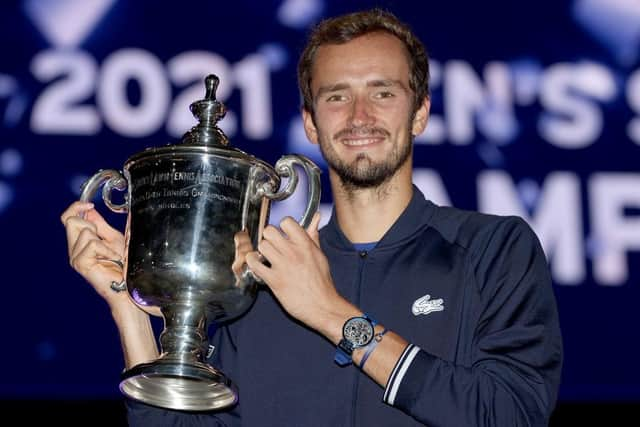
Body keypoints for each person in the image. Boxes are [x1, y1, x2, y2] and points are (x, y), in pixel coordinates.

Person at [61, 8, 563, 427]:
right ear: (310, 122)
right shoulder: (255, 284)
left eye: (383, 93)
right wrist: (128, 303)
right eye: (336, 96)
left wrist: (331, 314)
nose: (360, 116)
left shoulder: (494, 249)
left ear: (421, 113)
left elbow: (512, 412)